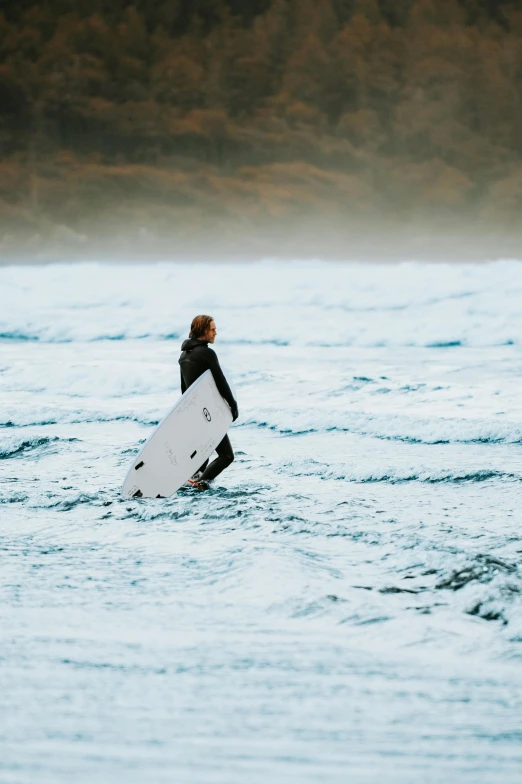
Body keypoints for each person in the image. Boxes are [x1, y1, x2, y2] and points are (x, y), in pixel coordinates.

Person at [179, 315, 238, 489]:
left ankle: (193, 479)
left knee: (204, 452)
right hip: (209, 413)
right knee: (226, 456)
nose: (215, 333)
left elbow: (184, 390)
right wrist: (232, 405)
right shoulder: (207, 353)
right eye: (212, 329)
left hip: (195, 413)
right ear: (204, 331)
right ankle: (200, 483)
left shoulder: (183, 356)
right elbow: (221, 382)